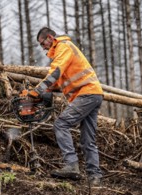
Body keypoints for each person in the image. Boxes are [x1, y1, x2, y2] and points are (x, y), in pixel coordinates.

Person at [22, 27, 104, 185]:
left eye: (42, 43)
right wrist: (42, 91)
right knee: (88, 139)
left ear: (50, 38)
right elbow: (60, 81)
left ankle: (72, 165)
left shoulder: (63, 46)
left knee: (61, 124)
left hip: (86, 94)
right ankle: (95, 177)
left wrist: (38, 90)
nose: (42, 47)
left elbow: (56, 72)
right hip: (94, 94)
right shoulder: (64, 50)